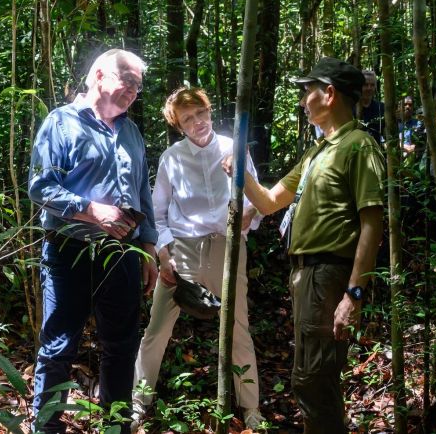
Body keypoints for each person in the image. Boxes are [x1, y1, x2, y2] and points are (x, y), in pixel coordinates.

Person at [223, 57, 386, 434]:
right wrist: (240, 173)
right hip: (304, 275)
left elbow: (372, 222)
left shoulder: (359, 145)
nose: (302, 100)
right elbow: (268, 202)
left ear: (329, 94)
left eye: (307, 91)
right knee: (310, 377)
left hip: (329, 273)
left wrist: (354, 292)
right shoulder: (317, 152)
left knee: (314, 378)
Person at [27, 48, 159, 434]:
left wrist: (148, 248)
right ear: (99, 75)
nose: (134, 91)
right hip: (68, 250)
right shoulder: (61, 123)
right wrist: (92, 210)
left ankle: (115, 427)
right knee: (58, 348)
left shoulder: (131, 131)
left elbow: (143, 195)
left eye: (138, 86)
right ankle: (46, 428)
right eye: (128, 81)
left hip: (122, 254)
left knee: (121, 346)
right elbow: (40, 186)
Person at [131, 87, 264, 431]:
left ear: (209, 111)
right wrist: (164, 255)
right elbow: (157, 215)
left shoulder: (233, 147)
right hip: (182, 252)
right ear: (179, 125)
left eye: (200, 114)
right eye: (187, 119)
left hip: (227, 248)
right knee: (156, 330)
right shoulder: (171, 158)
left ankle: (251, 410)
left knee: (238, 330)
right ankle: (136, 404)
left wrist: (246, 216)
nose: (197, 123)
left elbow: (256, 202)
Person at [357, 69, 385, 145]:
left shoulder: (381, 108)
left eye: (372, 85)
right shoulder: (350, 107)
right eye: (366, 85)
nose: (369, 88)